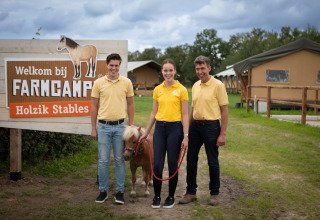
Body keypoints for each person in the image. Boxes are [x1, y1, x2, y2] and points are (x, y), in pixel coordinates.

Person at [139, 59, 189, 209]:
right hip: (160, 129)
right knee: (157, 164)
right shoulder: (157, 89)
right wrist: (146, 132)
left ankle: (171, 196)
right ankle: (157, 196)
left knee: (173, 164)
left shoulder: (182, 89)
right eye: (165, 70)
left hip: (175, 129)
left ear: (175, 71)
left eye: (170, 70)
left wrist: (186, 136)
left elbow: (185, 115)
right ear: (162, 72)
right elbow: (154, 112)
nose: (168, 73)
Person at [179, 55, 228, 206]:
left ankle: (214, 194)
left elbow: (224, 111)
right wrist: (187, 131)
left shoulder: (218, 85)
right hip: (195, 127)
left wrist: (223, 133)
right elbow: (193, 108)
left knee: (212, 162)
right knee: (191, 159)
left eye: (203, 68)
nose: (200, 71)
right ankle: (191, 192)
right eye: (197, 68)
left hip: (212, 127)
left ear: (209, 68)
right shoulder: (195, 86)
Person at [91, 53, 134, 205]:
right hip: (103, 126)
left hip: (120, 127)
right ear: (107, 65)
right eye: (111, 65)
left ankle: (120, 192)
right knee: (103, 161)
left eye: (116, 65)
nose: (114, 68)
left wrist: (131, 124)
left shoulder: (126, 82)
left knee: (119, 160)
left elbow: (130, 104)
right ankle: (103, 191)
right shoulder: (98, 83)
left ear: (119, 66)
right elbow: (94, 106)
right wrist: (93, 128)